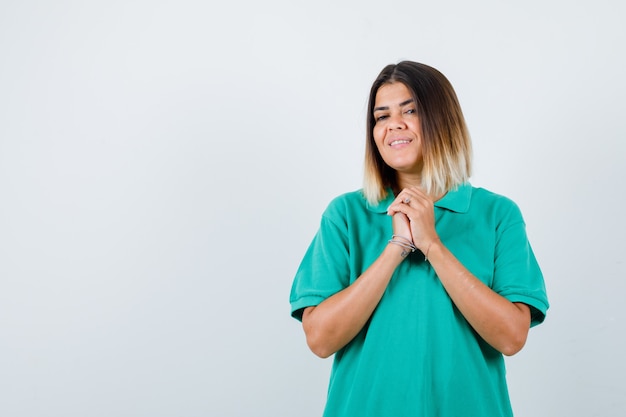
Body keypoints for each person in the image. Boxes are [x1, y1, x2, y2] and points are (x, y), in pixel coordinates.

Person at [289, 61, 549, 417]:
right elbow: (320, 340)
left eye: (410, 110)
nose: (394, 124)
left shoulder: (497, 214)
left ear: (443, 120)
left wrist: (433, 245)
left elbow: (511, 337)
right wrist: (396, 249)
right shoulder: (345, 215)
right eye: (381, 116)